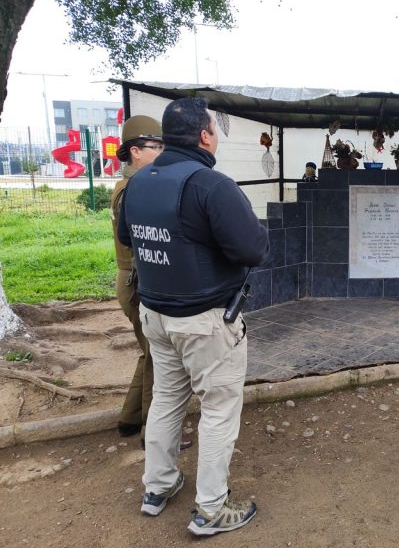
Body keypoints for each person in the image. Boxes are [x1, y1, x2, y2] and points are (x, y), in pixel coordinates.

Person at [118, 97, 270, 536]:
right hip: (205, 322)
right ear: (205, 135)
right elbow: (253, 250)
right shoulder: (211, 185)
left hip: (156, 314)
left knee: (167, 398)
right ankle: (211, 509)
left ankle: (158, 487)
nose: (216, 137)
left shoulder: (138, 183)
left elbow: (130, 239)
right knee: (219, 408)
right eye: (215, 130)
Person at [111, 115, 192, 451]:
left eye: (162, 146)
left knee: (149, 353)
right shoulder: (133, 188)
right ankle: (154, 434)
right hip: (138, 281)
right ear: (134, 152)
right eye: (154, 146)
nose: (160, 152)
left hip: (135, 280)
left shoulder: (134, 184)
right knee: (160, 358)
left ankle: (129, 419)